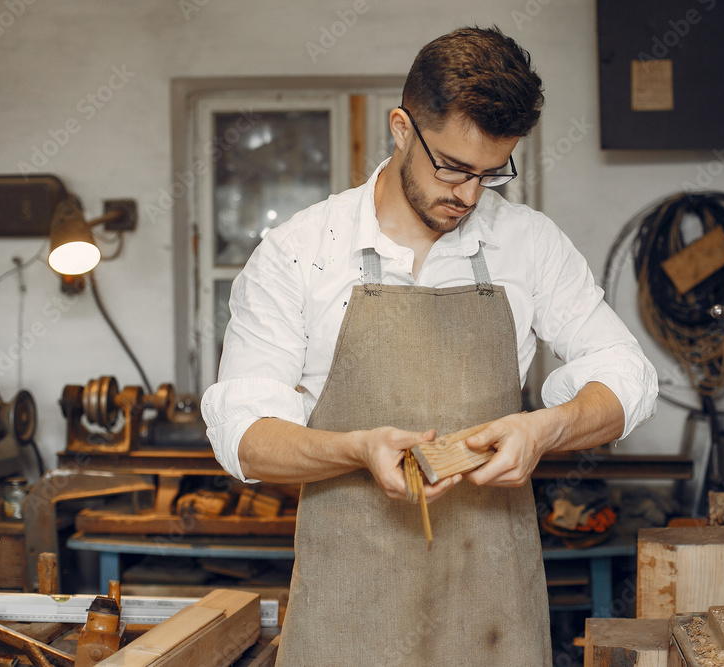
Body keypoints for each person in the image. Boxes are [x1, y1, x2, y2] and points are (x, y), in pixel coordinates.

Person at [202, 25, 657, 666]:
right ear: (401, 127)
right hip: (347, 614)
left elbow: (628, 377)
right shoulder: (299, 252)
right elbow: (246, 436)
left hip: (495, 613)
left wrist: (545, 429)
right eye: (452, 166)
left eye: (492, 175)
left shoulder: (529, 244)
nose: (468, 196)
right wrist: (355, 450)